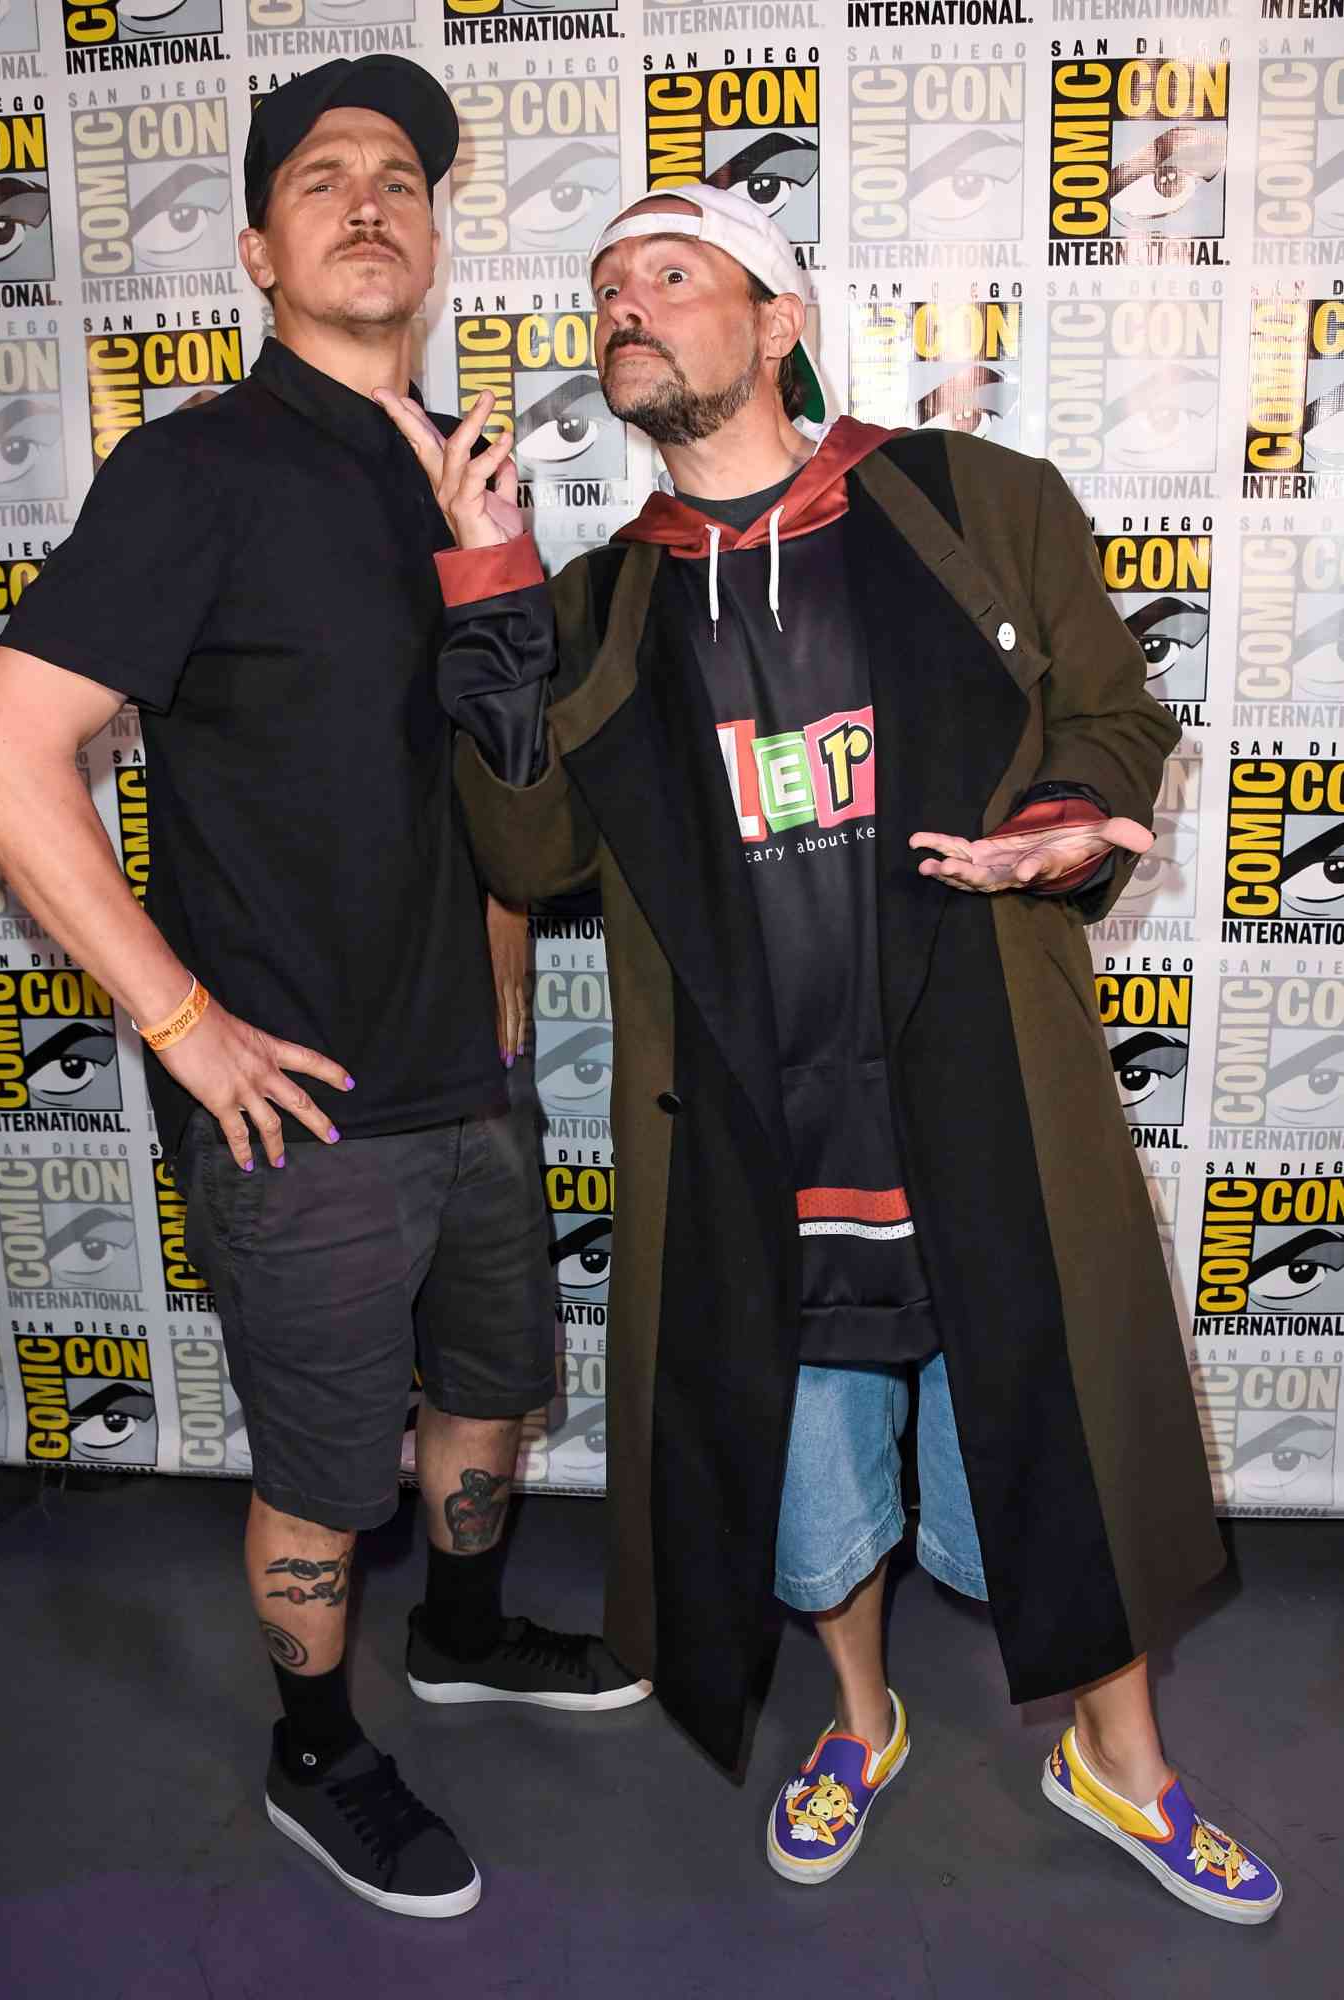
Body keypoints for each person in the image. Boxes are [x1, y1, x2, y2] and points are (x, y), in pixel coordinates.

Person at [377, 180, 1282, 1925]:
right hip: (748, 1140)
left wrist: (1070, 820)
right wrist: (485, 595)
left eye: (670, 276)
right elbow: (532, 855)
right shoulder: (586, 604)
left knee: (1063, 1450)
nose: (624, 308)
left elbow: (1110, 706)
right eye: (605, 290)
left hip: (978, 1109)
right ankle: (860, 1724)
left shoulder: (970, 502)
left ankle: (1121, 1762)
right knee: (802, 1478)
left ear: (778, 321)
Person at [0, 56, 648, 1926]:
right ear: (257, 249)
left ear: (430, 236)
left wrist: (499, 997)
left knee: (490, 1401)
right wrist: (183, 1025)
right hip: (300, 1102)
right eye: (320, 177)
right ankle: (315, 1743)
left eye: (399, 175)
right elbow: (1, 761)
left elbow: (480, 791)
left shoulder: (452, 472)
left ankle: (472, 1632)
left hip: (467, 1079)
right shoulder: (199, 468)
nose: (365, 198)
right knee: (330, 1477)